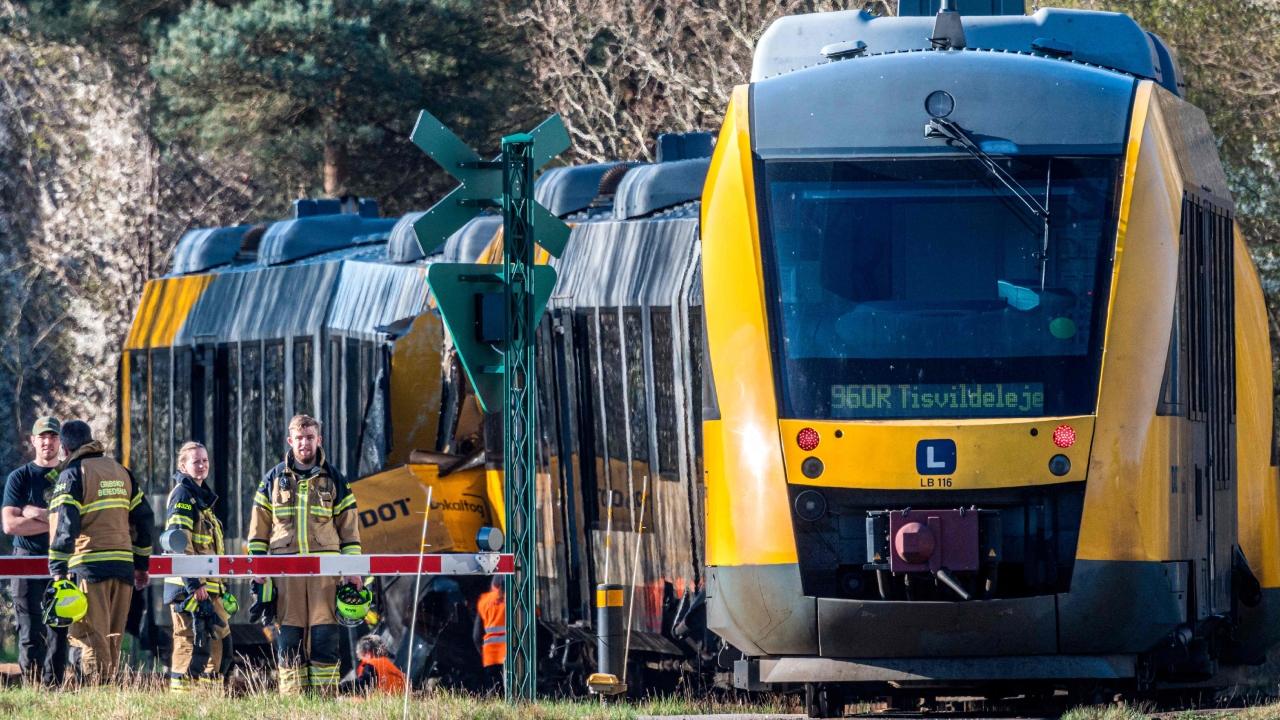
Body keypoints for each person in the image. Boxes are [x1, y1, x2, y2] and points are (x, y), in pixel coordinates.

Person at [247, 414, 361, 695]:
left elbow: (349, 531)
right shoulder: (273, 479)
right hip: (286, 576)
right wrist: (259, 569)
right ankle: (293, 703)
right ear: (290, 441)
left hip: (326, 575)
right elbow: (258, 529)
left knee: (325, 639)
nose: (304, 443)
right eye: (299, 438)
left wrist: (353, 568)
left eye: (309, 437)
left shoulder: (335, 479)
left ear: (318, 440)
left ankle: (324, 702)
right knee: (290, 640)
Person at [48, 419, 153, 684]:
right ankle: (109, 697)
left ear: (64, 447)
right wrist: (141, 563)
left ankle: (96, 698)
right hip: (123, 568)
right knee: (111, 638)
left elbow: (65, 524)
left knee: (89, 637)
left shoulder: (72, 474)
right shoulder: (121, 472)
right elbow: (144, 519)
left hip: (89, 567)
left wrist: (58, 570)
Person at [1, 416, 70, 686]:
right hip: (26, 562)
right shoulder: (20, 477)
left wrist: (37, 513)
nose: (47, 442)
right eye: (42, 436)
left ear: (60, 442)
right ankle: (34, 687)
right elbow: (10, 524)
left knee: (59, 629)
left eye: (53, 436)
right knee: (30, 630)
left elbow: (78, 523)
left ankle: (55, 688)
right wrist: (56, 519)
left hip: (61, 560)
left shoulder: (69, 475)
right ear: (33, 440)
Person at [164, 441, 231, 692]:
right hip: (189, 588)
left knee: (217, 647)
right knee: (190, 645)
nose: (202, 465)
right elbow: (179, 543)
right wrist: (194, 584)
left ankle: (207, 702)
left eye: (204, 460)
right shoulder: (183, 494)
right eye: (195, 461)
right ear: (183, 465)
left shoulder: (200, 497)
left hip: (208, 588)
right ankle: (182, 704)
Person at [474, 576, 506, 694]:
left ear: (493, 585)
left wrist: (482, 652)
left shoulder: (484, 602)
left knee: (495, 691)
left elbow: (476, 636)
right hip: (511, 654)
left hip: (491, 655)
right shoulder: (516, 599)